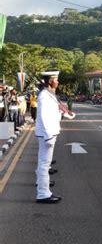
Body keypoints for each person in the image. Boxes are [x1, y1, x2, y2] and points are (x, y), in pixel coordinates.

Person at [35, 71, 62, 204]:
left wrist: (62, 114)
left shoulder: (48, 94)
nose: (58, 82)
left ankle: (44, 192)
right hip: (47, 134)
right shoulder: (45, 96)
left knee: (43, 164)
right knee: (44, 165)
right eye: (56, 80)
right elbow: (45, 117)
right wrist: (48, 136)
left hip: (49, 133)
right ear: (50, 81)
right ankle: (43, 194)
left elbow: (52, 114)